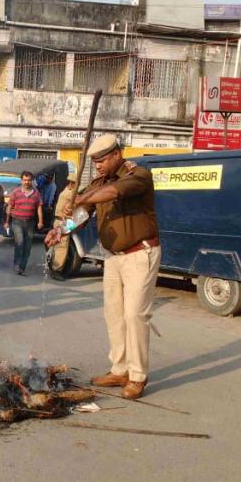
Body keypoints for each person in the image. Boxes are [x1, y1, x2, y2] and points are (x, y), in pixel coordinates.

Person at [65, 134, 160, 400]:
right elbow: (81, 216)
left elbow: (114, 192)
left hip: (140, 253)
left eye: (102, 160)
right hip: (113, 257)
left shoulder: (138, 175)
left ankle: (138, 375)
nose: (98, 166)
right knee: (114, 314)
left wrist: (81, 199)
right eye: (94, 162)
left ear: (117, 154)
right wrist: (61, 230)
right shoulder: (98, 183)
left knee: (135, 315)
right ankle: (120, 368)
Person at [5, 171, 44, 276]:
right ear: (21, 181)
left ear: (32, 181)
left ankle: (22, 267)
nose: (27, 182)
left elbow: (39, 208)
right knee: (20, 242)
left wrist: (40, 221)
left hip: (30, 222)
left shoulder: (36, 194)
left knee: (27, 246)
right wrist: (7, 221)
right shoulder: (16, 192)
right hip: (17, 221)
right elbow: (9, 207)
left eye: (29, 180)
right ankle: (17, 265)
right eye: (25, 180)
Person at [49, 173, 77, 282]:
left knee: (58, 245)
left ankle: (55, 267)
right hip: (64, 221)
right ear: (72, 184)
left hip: (60, 220)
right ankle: (57, 270)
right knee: (62, 246)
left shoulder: (65, 190)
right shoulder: (70, 193)